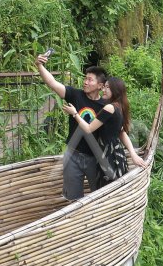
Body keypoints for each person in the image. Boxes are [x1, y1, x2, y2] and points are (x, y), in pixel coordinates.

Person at [35, 53, 109, 200]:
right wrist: (39, 65)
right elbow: (52, 83)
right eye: (85, 78)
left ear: (100, 86)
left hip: (95, 157)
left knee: (99, 195)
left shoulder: (106, 107)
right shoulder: (76, 95)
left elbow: (118, 130)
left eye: (90, 80)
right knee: (72, 198)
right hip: (73, 155)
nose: (85, 82)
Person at [60, 76, 148, 187]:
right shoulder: (119, 107)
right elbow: (122, 132)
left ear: (115, 90)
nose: (103, 90)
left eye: (107, 87)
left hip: (108, 154)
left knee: (106, 187)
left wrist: (75, 114)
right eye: (104, 87)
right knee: (114, 188)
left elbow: (88, 129)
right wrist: (133, 154)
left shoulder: (109, 108)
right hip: (117, 153)